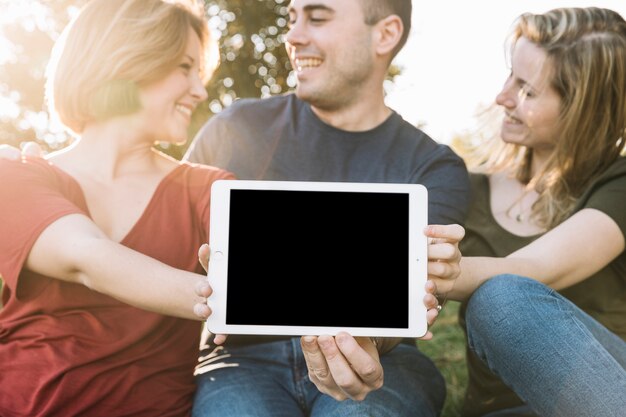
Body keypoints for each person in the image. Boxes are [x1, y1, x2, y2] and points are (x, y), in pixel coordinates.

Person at [184, 0, 470, 416]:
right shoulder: (234, 129)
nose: (294, 36)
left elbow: (406, 303)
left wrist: (369, 344)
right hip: (240, 362)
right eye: (292, 18)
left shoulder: (431, 166)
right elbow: (169, 253)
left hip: (383, 362)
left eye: (317, 18)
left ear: (385, 34)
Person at [0, 0, 234, 415]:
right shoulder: (14, 175)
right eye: (185, 68)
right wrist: (231, 300)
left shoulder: (210, 189)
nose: (200, 90)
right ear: (125, 59)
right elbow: (85, 258)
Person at [433, 7, 626, 417]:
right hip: (500, 411)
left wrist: (425, 268)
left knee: (502, 297)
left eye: (527, 90)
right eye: (510, 75)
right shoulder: (468, 188)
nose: (503, 96)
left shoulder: (620, 184)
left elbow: (535, 267)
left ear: (583, 110)